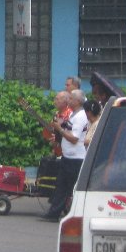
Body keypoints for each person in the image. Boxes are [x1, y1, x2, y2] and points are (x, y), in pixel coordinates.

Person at [41, 89, 87, 221]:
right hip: (68, 157)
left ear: (77, 101)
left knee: (72, 188)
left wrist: (60, 129)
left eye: (71, 99)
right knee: (61, 185)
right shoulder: (73, 115)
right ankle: (53, 213)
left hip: (76, 158)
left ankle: (74, 214)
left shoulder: (79, 117)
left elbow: (74, 138)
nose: (68, 101)